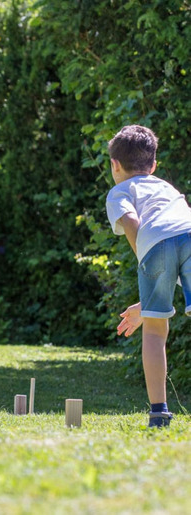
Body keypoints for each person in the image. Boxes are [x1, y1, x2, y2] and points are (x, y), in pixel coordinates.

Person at [106, 124, 191, 428]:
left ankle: (159, 412)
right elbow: (180, 237)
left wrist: (146, 265)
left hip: (155, 242)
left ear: (115, 165)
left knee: (155, 331)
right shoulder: (166, 187)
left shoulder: (119, 191)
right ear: (153, 165)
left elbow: (132, 221)